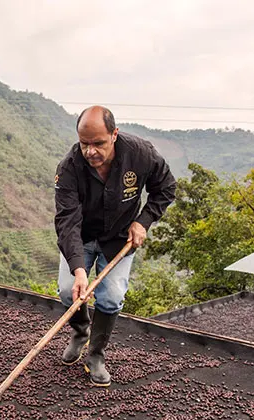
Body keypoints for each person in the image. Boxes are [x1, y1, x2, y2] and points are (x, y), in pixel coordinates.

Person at [54, 106, 176, 387]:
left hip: (119, 238)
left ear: (114, 134)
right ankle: (81, 332)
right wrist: (79, 270)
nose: (91, 152)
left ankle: (96, 354)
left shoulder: (141, 154)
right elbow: (67, 222)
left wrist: (144, 221)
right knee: (68, 291)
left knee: (110, 297)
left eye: (99, 143)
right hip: (81, 237)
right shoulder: (69, 168)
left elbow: (166, 187)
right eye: (85, 144)